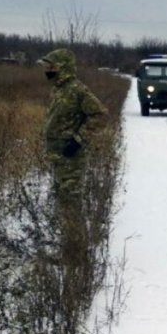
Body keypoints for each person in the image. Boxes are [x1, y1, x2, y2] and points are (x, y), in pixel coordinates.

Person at [40, 48, 108, 223]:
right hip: (58, 157)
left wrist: (78, 140)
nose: (47, 70)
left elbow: (100, 116)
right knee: (62, 203)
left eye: (51, 66)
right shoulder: (58, 89)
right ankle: (67, 244)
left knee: (71, 206)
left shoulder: (77, 90)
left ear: (62, 68)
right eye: (47, 66)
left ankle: (76, 247)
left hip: (72, 158)